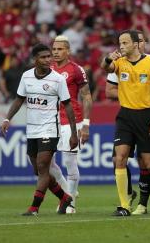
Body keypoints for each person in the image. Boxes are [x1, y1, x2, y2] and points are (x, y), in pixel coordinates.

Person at [101, 30, 150, 216]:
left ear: (136, 44)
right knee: (120, 158)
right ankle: (124, 205)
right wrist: (108, 59)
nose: (121, 46)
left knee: (149, 164)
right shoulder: (119, 62)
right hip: (125, 116)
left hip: (147, 116)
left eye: (125, 43)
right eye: (120, 43)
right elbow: (105, 68)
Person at [0, 43, 78, 216]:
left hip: (50, 129)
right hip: (32, 130)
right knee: (38, 171)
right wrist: (7, 118)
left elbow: (68, 106)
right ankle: (65, 197)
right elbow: (19, 99)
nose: (48, 59)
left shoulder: (58, 79)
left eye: (49, 56)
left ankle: (34, 207)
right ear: (35, 59)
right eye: (43, 57)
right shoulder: (26, 76)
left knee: (43, 166)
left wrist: (73, 133)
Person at [48, 35, 92, 214]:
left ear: (68, 51)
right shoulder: (47, 70)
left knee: (69, 161)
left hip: (71, 121)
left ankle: (70, 203)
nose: (56, 52)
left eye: (59, 49)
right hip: (50, 122)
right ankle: (69, 192)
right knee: (46, 164)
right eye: (54, 49)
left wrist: (86, 125)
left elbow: (87, 96)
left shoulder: (76, 70)